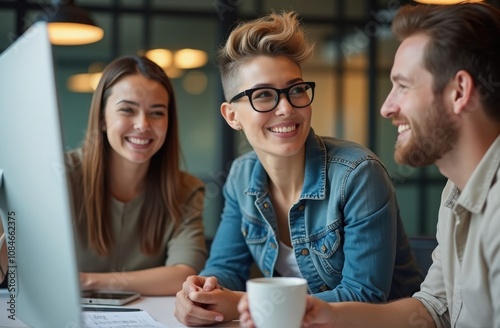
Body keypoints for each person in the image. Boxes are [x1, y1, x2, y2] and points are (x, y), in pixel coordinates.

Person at [238, 3, 500, 327]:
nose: (387, 107)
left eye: (403, 85)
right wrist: (326, 313)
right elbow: (433, 309)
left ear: (458, 91)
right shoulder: (456, 192)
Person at [174, 11, 423, 326]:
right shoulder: (240, 175)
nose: (286, 108)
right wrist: (202, 291)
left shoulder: (358, 173)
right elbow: (226, 267)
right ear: (231, 116)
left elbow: (364, 294)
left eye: (296, 90)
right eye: (263, 95)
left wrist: (245, 303)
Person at [65, 55, 207, 296]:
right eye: (127, 110)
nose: (143, 124)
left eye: (157, 113)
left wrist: (87, 281)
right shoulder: (59, 175)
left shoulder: (186, 189)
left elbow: (183, 274)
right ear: (102, 118)